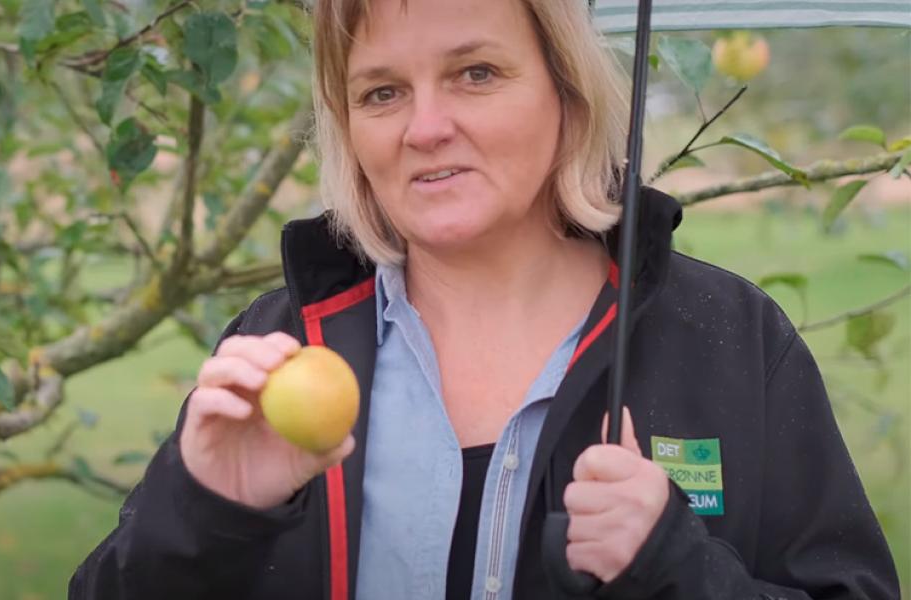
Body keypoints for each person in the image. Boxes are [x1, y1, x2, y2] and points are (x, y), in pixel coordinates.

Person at [68, 0, 899, 598]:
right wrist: (206, 510)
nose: (424, 127)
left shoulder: (731, 339)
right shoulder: (281, 344)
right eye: (382, 92)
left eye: (475, 72)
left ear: (566, 92)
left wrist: (674, 566)